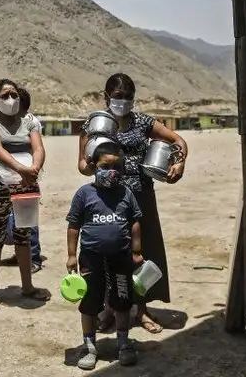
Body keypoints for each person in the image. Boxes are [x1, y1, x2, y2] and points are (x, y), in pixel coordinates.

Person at [77, 73, 188, 334]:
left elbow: (178, 141)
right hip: (105, 200)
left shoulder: (143, 122)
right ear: (106, 98)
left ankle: (143, 309)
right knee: (108, 252)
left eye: (128, 97)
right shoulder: (93, 125)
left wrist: (179, 162)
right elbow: (82, 165)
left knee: (142, 252)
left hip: (140, 198)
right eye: (118, 97)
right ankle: (109, 309)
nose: (123, 102)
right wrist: (91, 164)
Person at [66, 142, 142, 370]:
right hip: (91, 257)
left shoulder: (125, 193)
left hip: (120, 257)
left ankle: (123, 342)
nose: (112, 171)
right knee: (90, 301)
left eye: (117, 166)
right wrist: (71, 255)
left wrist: (137, 251)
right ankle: (89, 345)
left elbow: (135, 221)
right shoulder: (84, 194)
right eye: (105, 166)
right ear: (92, 166)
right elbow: (73, 225)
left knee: (122, 300)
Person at [0, 79, 48, 309]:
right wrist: (21, 169)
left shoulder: (29, 122)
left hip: (25, 184)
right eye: (6, 95)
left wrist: (34, 169)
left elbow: (38, 148)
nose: (11, 99)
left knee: (23, 236)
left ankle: (27, 286)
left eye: (15, 95)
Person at [1, 87, 44, 273]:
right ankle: (21, 254)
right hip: (11, 174)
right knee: (16, 217)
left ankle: (33, 258)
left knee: (28, 217)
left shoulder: (29, 121)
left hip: (26, 174)